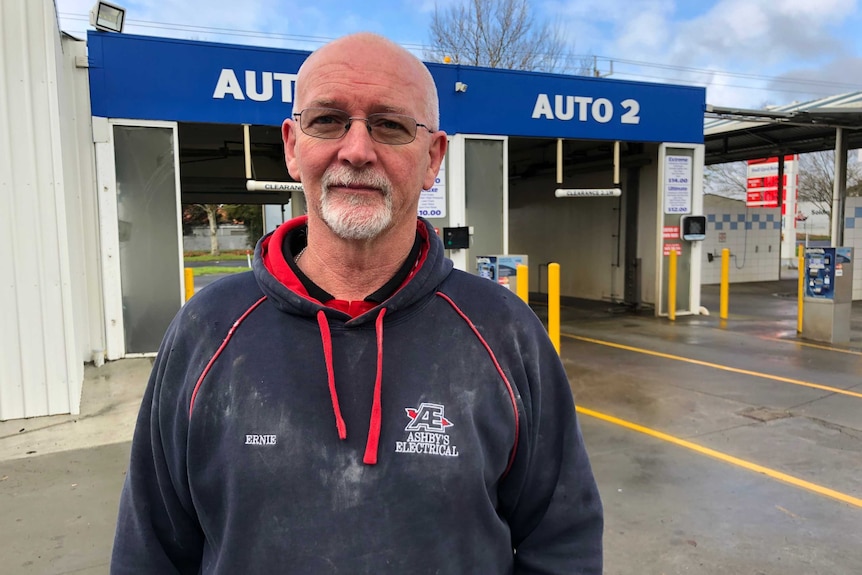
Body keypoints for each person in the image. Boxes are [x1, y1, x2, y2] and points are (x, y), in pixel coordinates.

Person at [110, 32, 603, 574]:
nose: (357, 149)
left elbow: (563, 544)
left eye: (390, 125)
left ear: (433, 157)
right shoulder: (206, 329)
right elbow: (150, 551)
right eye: (328, 121)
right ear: (293, 146)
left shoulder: (506, 332)